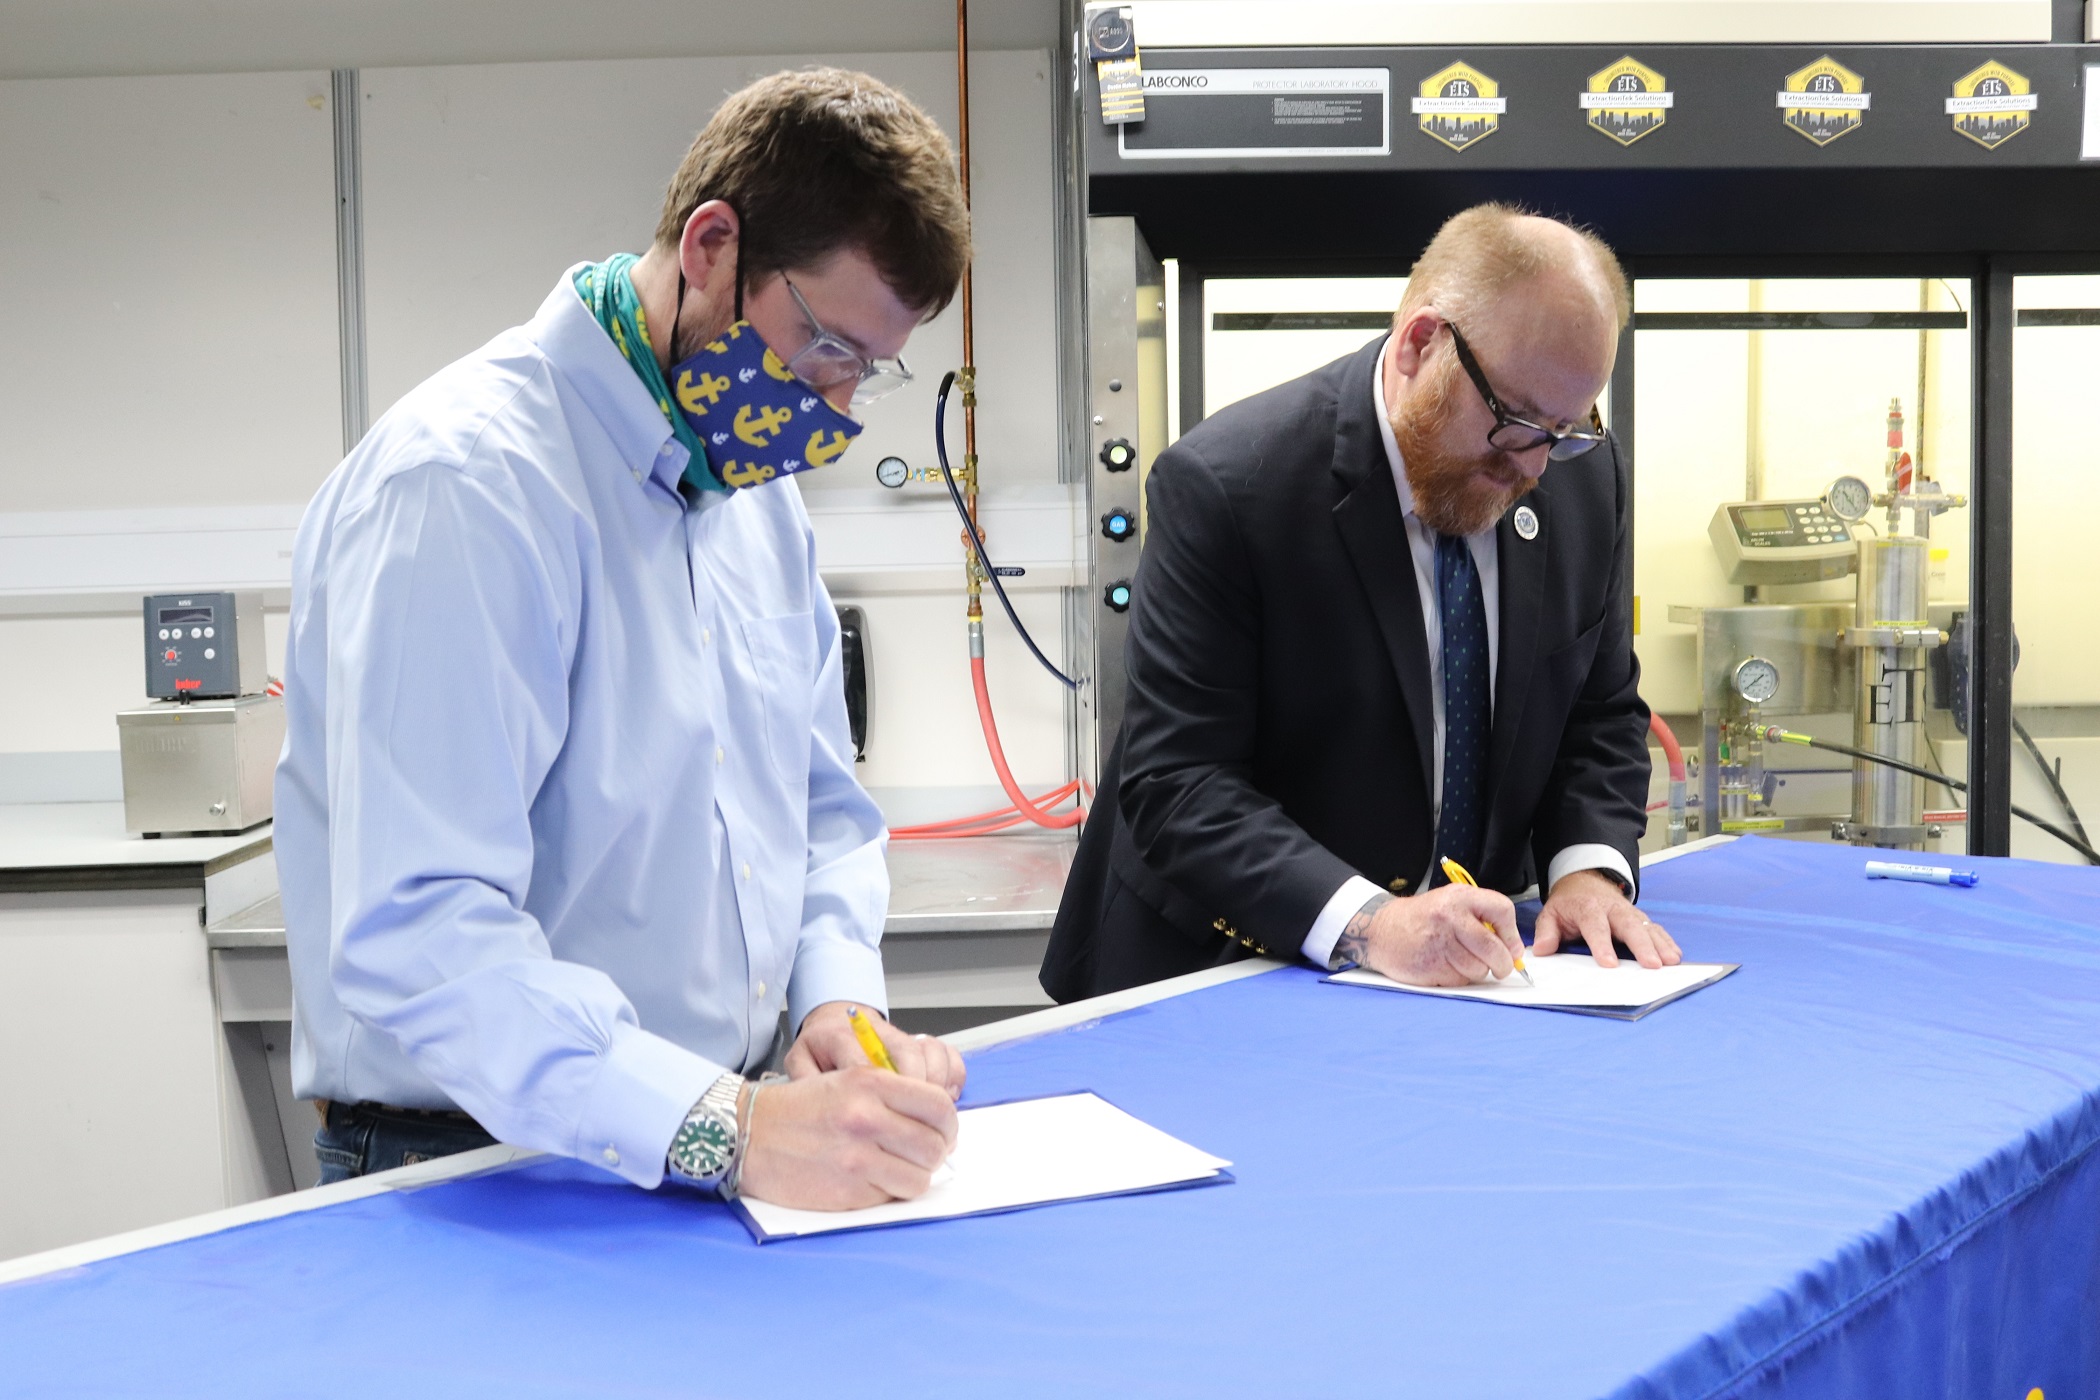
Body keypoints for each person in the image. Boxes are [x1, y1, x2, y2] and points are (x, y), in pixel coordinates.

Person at [276, 68, 973, 1210]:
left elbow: (821, 816)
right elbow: (424, 932)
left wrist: (837, 1006)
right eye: (825, 347)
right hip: (481, 1172)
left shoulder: (751, 501)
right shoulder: (468, 486)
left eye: (868, 369)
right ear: (711, 246)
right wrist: (732, 1130)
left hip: (722, 1143)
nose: (836, 407)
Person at [1042, 205, 1683, 1001]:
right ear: (1421, 345)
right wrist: (1371, 924)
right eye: (1516, 421)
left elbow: (1598, 711)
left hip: (1468, 977)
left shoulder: (1586, 478)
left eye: (1566, 426)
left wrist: (1587, 871)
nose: (1538, 466)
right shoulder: (1232, 485)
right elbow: (1179, 783)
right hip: (1229, 967)